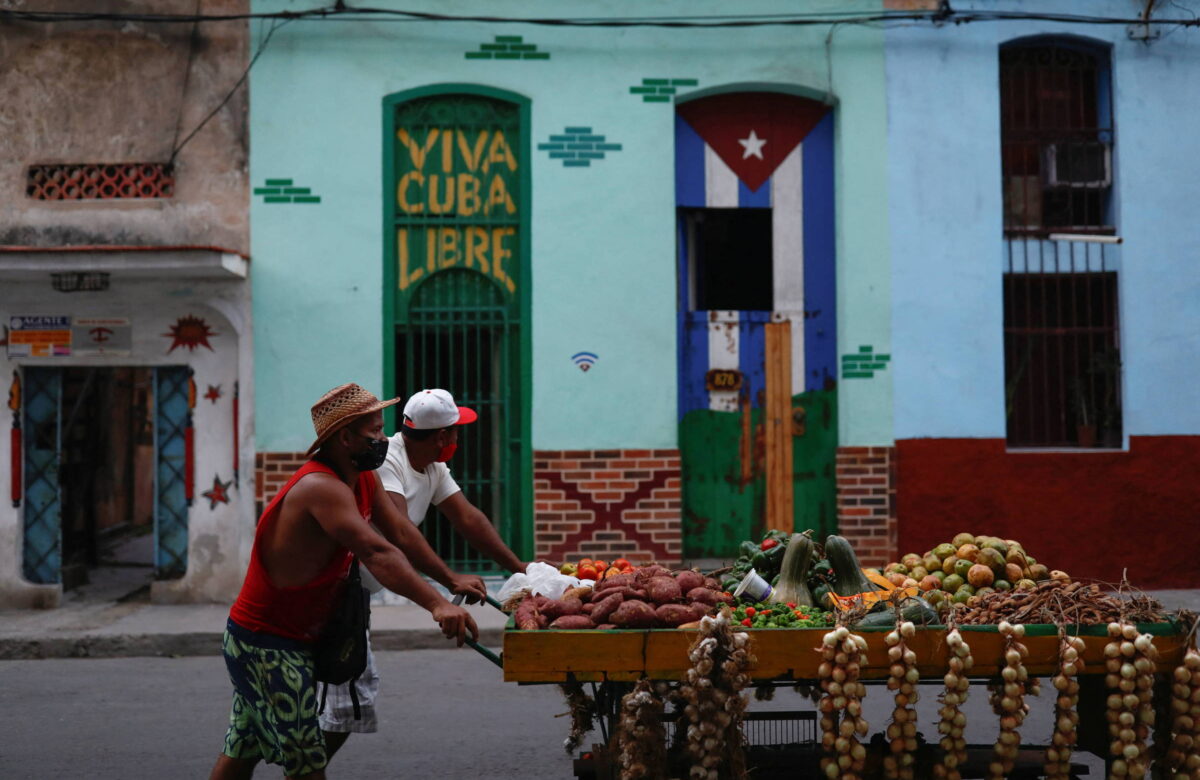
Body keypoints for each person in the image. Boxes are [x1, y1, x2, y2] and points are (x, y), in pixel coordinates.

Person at [209, 383, 478, 780]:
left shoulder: (362, 478)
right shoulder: (322, 487)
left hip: (290, 636)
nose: (384, 439)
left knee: (242, 749)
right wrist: (436, 603)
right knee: (306, 764)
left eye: (382, 429)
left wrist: (450, 578)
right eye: (373, 431)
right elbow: (377, 551)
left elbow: (401, 534)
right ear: (345, 437)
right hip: (267, 642)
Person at [318, 388, 527, 758]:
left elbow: (467, 518)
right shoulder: (386, 463)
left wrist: (519, 568)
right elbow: (399, 532)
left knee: (348, 702)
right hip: (333, 595)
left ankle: (304, 765)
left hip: (355, 594)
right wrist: (447, 584)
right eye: (456, 432)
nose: (458, 440)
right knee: (343, 703)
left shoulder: (432, 466)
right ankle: (304, 768)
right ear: (444, 437)